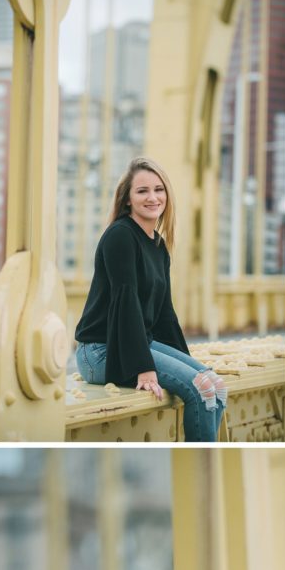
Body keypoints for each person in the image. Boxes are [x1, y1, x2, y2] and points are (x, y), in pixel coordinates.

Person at [73, 158, 226, 442]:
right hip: (101, 351)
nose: (153, 197)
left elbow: (165, 314)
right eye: (142, 191)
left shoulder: (158, 246)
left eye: (159, 189)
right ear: (127, 199)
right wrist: (143, 368)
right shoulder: (120, 236)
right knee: (201, 388)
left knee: (216, 385)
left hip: (137, 342)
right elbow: (125, 301)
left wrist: (185, 362)